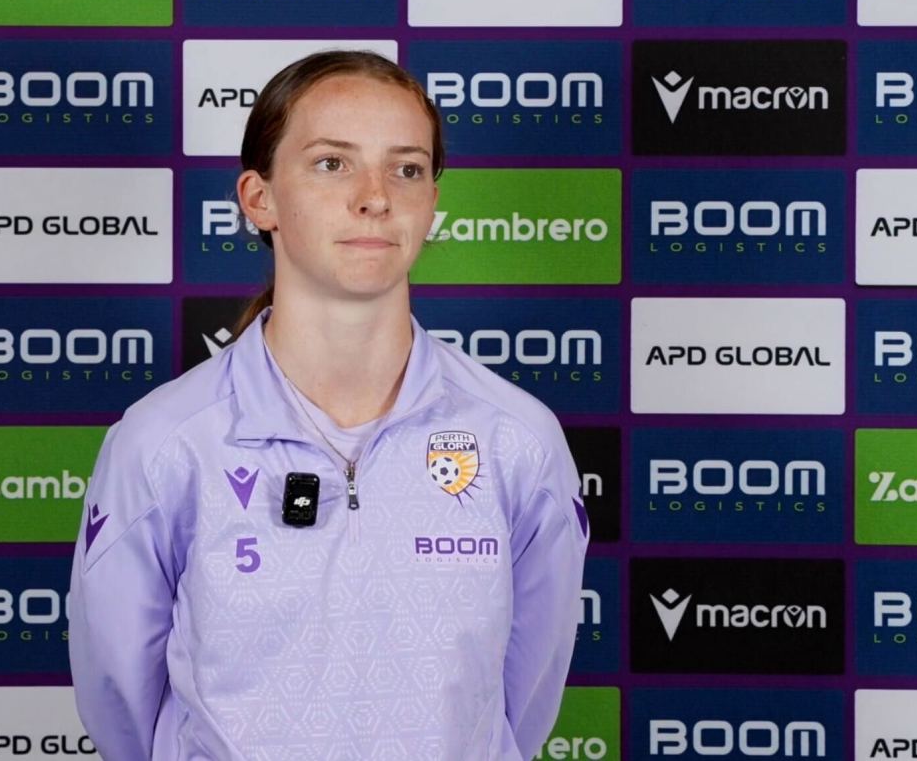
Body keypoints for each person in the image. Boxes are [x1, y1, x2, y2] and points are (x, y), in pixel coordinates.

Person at [69, 50, 589, 760]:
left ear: (432, 201)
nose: (375, 197)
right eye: (332, 163)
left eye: (407, 169)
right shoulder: (165, 443)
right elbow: (121, 708)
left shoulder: (516, 439)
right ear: (259, 198)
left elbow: (521, 704)